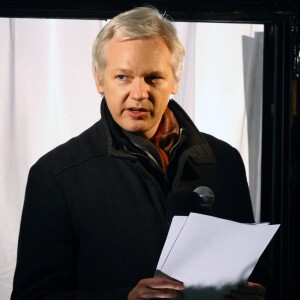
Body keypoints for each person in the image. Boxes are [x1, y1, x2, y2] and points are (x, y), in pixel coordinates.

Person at [11, 6, 268, 300]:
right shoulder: (55, 174)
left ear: (175, 79)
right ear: (99, 79)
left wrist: (257, 293)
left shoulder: (225, 162)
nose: (139, 92)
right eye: (123, 77)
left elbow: (253, 272)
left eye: (153, 78)